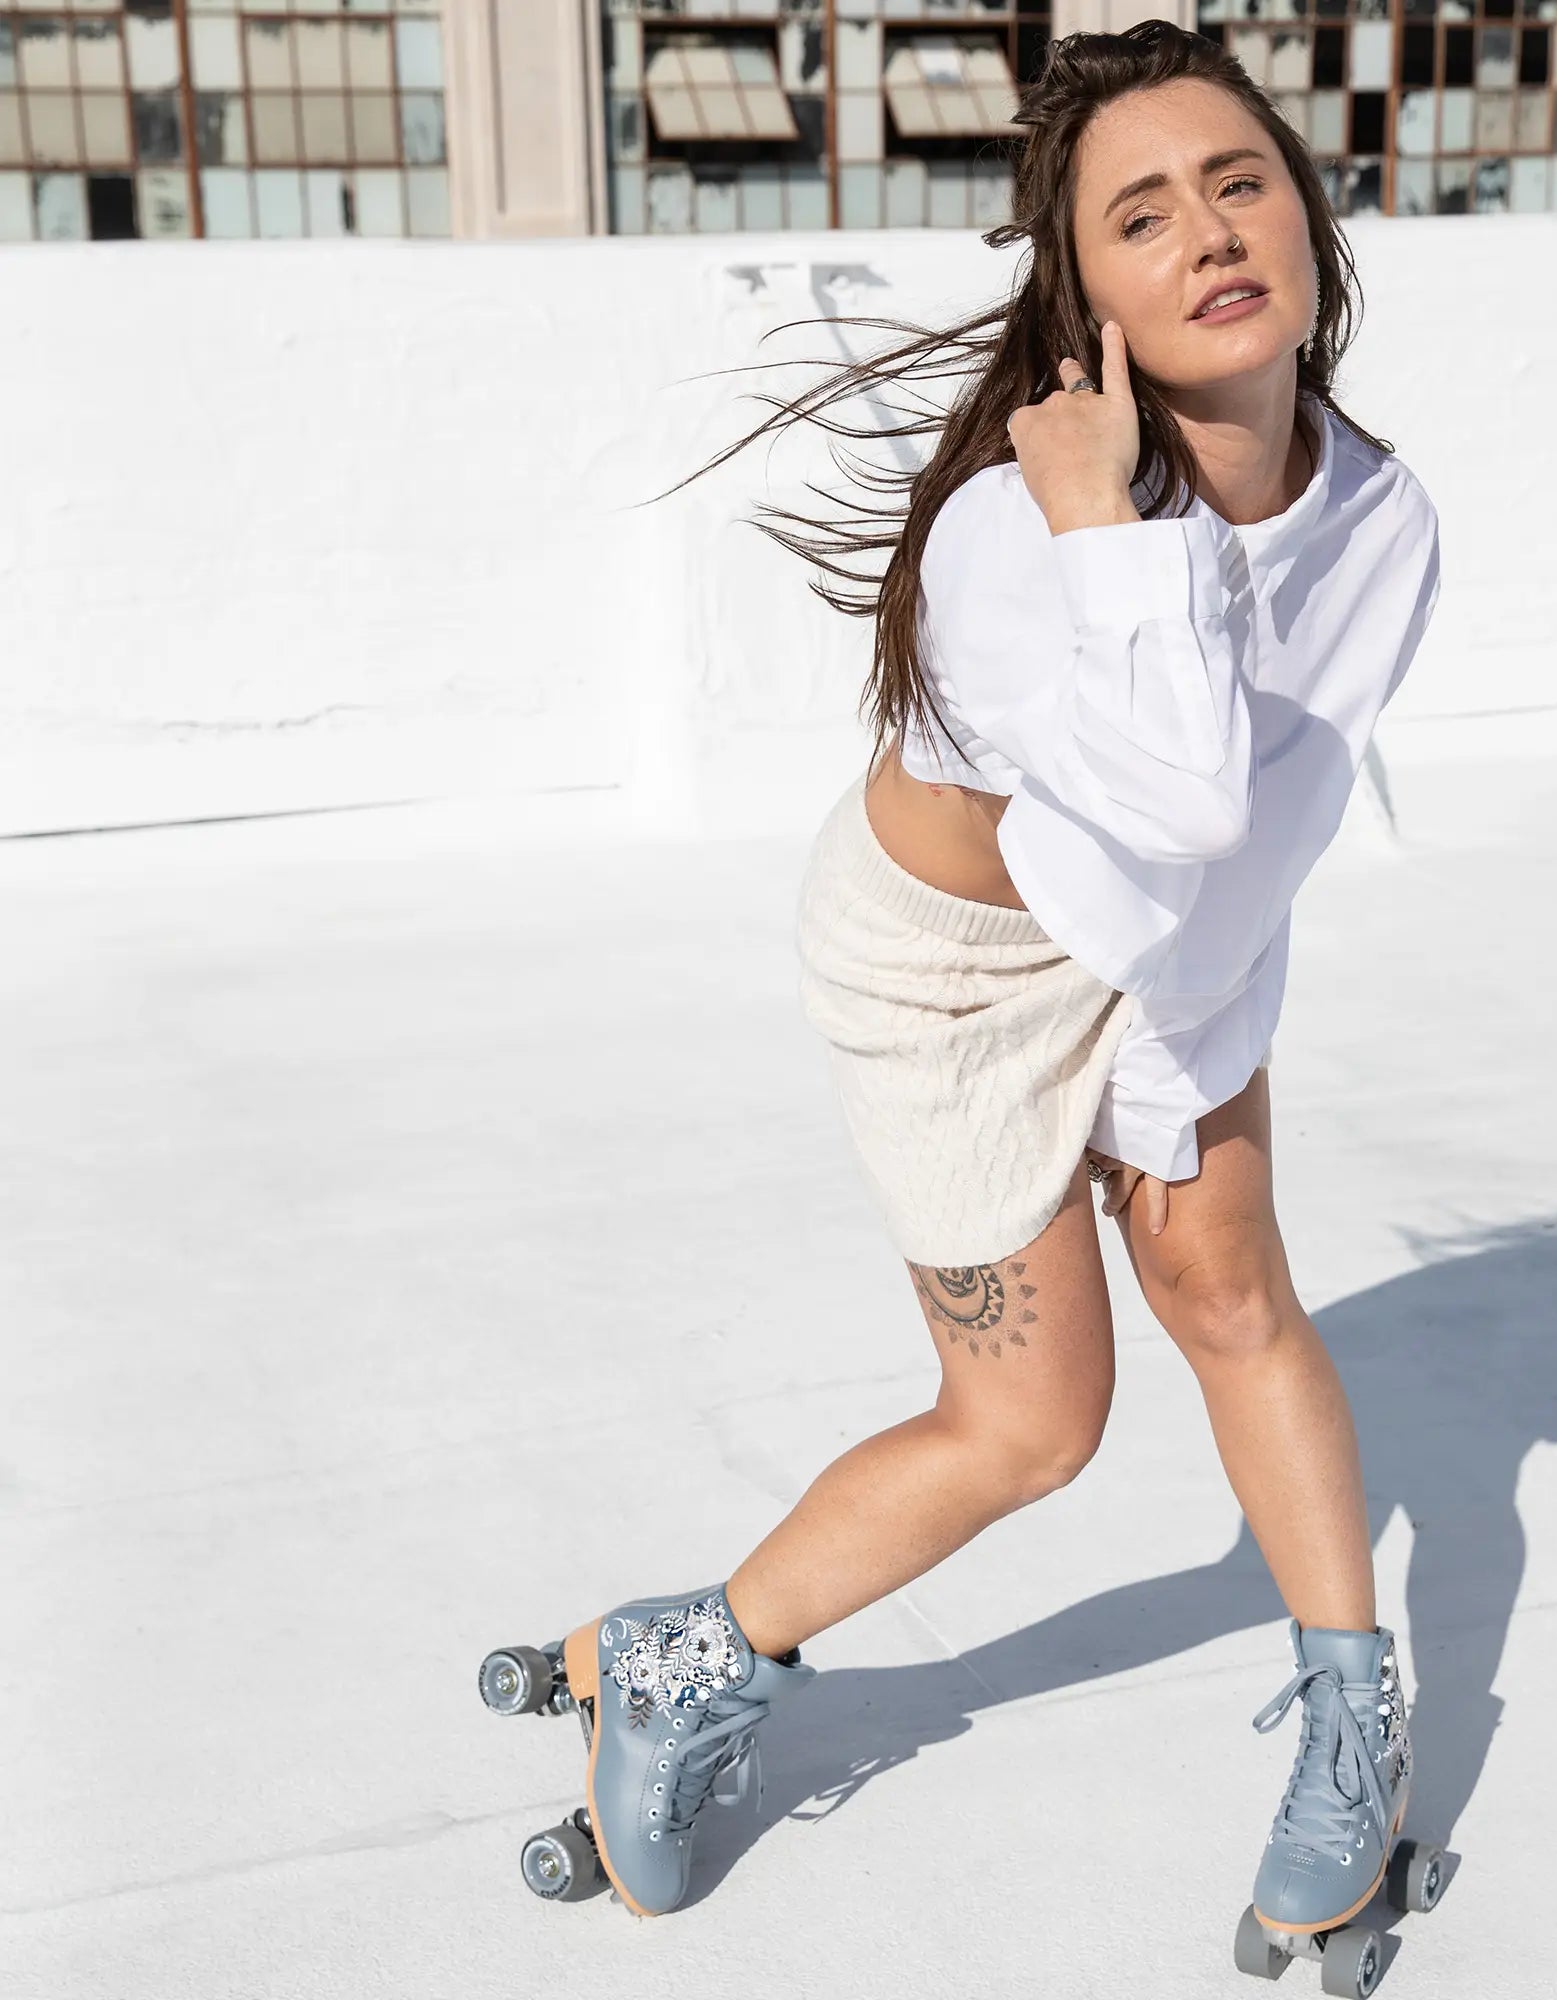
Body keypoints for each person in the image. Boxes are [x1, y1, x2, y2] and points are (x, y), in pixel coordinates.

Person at [482, 22, 1441, 1948]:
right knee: (1032, 1426)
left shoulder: (1383, 516)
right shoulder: (1020, 528)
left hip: (1181, 940)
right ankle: (688, 1658)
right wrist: (1098, 520)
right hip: (954, 974)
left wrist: (1183, 1086)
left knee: (1233, 1290)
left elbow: (1259, 828)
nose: (1209, 234)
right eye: (1141, 217)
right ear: (1084, 296)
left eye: (1239, 182)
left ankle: (1358, 1723)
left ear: (1309, 212)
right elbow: (1176, 793)